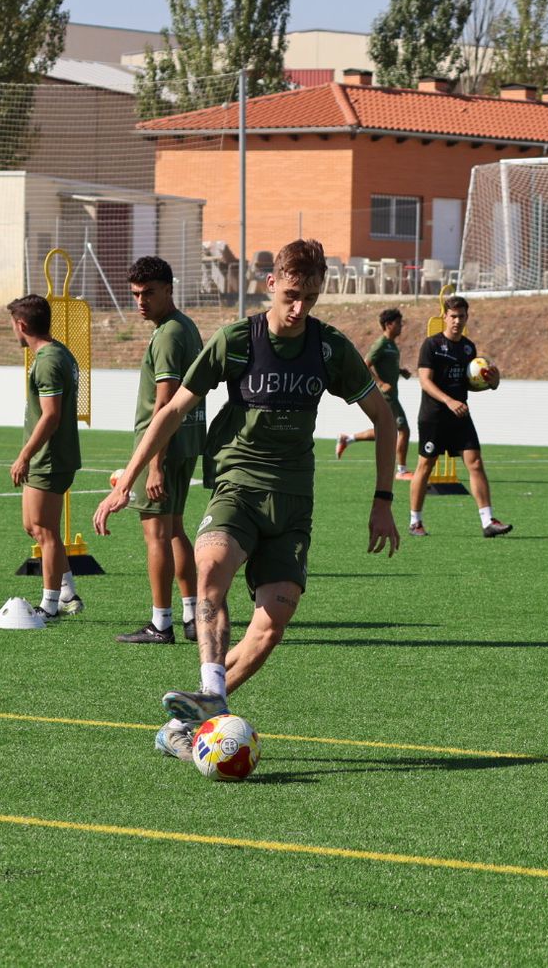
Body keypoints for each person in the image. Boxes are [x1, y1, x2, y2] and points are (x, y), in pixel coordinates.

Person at [92, 240, 400, 762]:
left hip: (294, 500)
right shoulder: (237, 340)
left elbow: (385, 419)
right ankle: (211, 688)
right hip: (236, 482)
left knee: (270, 626)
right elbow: (171, 411)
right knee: (210, 568)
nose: (300, 308)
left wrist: (383, 500)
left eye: (311, 296)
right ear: (272, 284)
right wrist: (129, 477)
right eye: (293, 295)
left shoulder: (329, 348)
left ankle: (192, 722)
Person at [115, 257, 206, 645]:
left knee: (156, 534)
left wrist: (154, 465)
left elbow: (165, 403)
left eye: (149, 292)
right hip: (186, 441)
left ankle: (160, 624)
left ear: (169, 289)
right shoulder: (184, 326)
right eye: (135, 294)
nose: (141, 301)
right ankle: (190, 615)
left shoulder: (169, 333)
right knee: (174, 531)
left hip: (165, 448)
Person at [406, 295, 512, 538]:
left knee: (475, 462)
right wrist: (449, 401)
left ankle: (488, 521)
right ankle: (415, 522)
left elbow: (468, 384)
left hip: (460, 415)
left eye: (461, 316)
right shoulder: (431, 345)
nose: (456, 321)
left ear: (467, 318)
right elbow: (424, 381)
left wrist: (491, 383)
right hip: (434, 417)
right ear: (444, 316)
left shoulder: (468, 348)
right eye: (453, 316)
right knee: (425, 465)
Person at [7, 294, 84, 621]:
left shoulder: (50, 360)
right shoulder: (59, 352)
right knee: (34, 526)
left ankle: (49, 605)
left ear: (22, 325)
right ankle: (67, 592)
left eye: (13, 325)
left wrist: (24, 455)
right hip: (49, 457)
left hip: (50, 458)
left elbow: (51, 416)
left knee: (45, 530)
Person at [335, 307, 413, 479]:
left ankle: (347, 439)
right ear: (388, 324)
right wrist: (380, 383)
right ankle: (401, 471)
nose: (401, 327)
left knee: (385, 430)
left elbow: (387, 365)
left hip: (393, 395)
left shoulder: (391, 345)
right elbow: (364, 364)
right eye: (399, 323)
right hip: (387, 397)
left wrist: (400, 371)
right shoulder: (381, 344)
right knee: (403, 430)